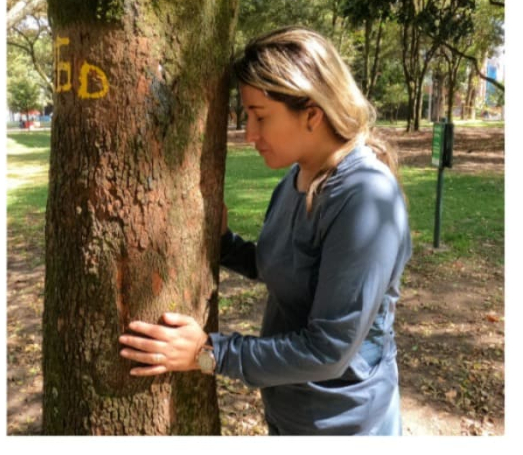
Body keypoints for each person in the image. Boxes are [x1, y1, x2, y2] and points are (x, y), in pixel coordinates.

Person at [117, 26, 412, 435]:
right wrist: (224, 244)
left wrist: (209, 352)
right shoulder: (296, 179)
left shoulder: (365, 196)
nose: (249, 134)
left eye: (260, 116)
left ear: (312, 113)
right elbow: (285, 266)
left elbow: (329, 350)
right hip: (289, 414)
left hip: (347, 425)